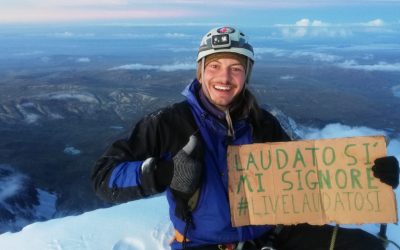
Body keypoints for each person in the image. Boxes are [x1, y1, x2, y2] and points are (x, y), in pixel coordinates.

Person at [92, 26, 399, 250]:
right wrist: (161, 173)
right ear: (200, 72)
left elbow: (309, 175)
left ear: (246, 75)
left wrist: (369, 175)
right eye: (214, 66)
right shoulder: (168, 123)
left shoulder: (261, 122)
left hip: (273, 233)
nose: (224, 78)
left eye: (235, 68)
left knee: (366, 247)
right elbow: (104, 178)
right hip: (205, 244)